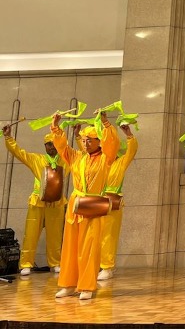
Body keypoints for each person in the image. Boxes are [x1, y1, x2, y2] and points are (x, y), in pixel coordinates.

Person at [51, 110, 118, 300]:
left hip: (94, 205)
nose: (86, 143)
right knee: (70, 247)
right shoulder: (77, 157)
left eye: (90, 140)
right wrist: (56, 127)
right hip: (76, 205)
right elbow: (62, 147)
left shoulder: (106, 159)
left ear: (98, 141)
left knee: (89, 248)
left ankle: (87, 286)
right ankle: (68, 284)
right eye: (84, 140)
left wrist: (105, 123)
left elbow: (112, 145)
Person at [2, 125, 68, 275]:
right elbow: (19, 153)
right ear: (45, 146)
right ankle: (26, 264)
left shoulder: (65, 161)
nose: (52, 147)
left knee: (55, 235)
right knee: (31, 234)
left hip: (56, 203)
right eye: (49, 144)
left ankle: (55, 263)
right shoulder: (36, 159)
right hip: (37, 201)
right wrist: (8, 138)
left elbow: (80, 155)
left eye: (55, 144)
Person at [97, 122, 138, 280]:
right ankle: (95, 264)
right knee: (94, 234)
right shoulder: (98, 161)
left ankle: (107, 267)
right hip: (95, 201)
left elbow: (131, 152)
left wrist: (128, 135)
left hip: (112, 201)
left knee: (108, 235)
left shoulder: (120, 162)